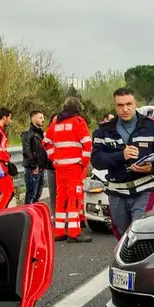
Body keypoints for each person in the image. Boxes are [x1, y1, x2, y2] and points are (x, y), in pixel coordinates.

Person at [91, 87, 154, 238]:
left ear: (135, 103)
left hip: (145, 188)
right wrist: (121, 155)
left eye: (129, 104)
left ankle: (142, 261)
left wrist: (151, 167)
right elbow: (96, 161)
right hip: (117, 191)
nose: (125, 109)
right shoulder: (104, 130)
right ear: (115, 106)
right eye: (120, 105)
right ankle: (125, 260)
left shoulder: (151, 127)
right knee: (122, 235)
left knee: (139, 230)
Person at [43, 97, 93, 243]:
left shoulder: (56, 122)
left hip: (60, 167)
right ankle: (74, 232)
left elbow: (45, 142)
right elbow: (87, 144)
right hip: (74, 167)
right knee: (75, 198)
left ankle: (59, 231)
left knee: (61, 198)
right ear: (77, 108)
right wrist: (84, 162)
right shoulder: (78, 122)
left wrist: (54, 159)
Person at [20, 110, 48, 205]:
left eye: (43, 117)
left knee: (38, 194)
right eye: (40, 118)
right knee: (31, 193)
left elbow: (43, 150)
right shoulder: (27, 133)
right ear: (33, 119)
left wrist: (44, 165)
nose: (43, 120)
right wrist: (34, 166)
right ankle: (27, 215)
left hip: (40, 168)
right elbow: (27, 152)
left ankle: (34, 216)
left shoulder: (41, 133)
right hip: (32, 168)